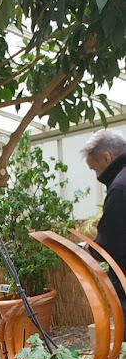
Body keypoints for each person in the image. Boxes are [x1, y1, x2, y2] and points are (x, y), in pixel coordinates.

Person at [82, 129, 126, 323]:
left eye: (94, 168)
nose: (96, 175)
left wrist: (91, 249)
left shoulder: (120, 187)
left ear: (107, 157)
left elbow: (111, 243)